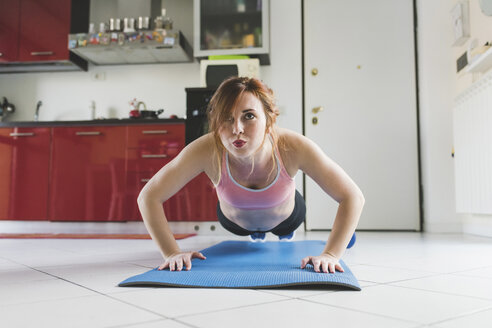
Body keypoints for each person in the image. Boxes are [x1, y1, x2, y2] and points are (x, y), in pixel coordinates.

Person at [137, 77, 364, 274]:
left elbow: (352, 196)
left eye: (248, 116)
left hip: (287, 217)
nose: (237, 128)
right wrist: (171, 253)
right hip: (235, 223)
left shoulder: (292, 146)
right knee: (250, 231)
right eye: (227, 118)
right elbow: (149, 197)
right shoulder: (206, 148)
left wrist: (332, 254)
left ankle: (301, 233)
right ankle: (257, 234)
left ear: (269, 120)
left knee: (290, 227)